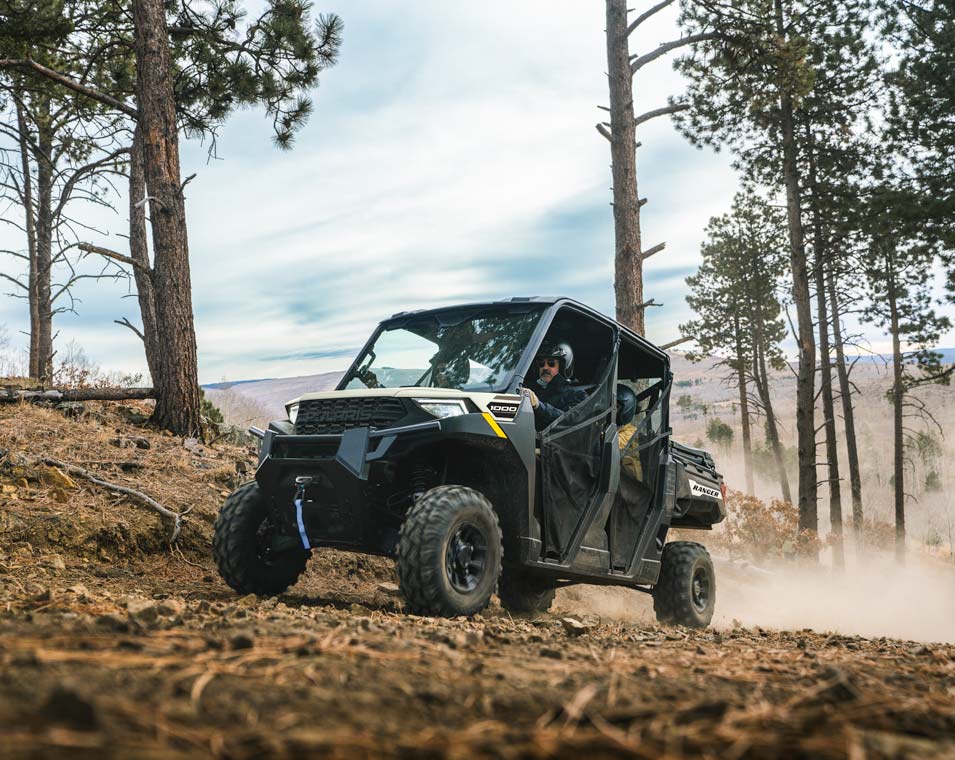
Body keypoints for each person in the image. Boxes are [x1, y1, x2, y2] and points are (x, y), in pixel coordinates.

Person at [521, 340, 587, 430]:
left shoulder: (577, 394)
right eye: (541, 363)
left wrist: (539, 406)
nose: (545, 367)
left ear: (562, 366)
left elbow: (570, 419)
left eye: (551, 363)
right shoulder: (530, 391)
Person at [616, 384, 642, 481]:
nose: (610, 410)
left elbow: (614, 443)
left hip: (629, 481)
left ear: (626, 409)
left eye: (616, 407)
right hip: (615, 474)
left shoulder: (631, 432)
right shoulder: (611, 427)